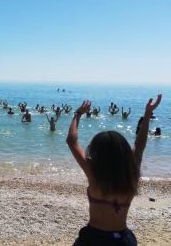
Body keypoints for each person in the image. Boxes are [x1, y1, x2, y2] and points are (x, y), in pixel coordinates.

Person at [66, 95, 162, 246]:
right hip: (123, 240)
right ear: (124, 152)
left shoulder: (94, 175)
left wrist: (77, 114)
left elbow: (72, 141)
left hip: (93, 239)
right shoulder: (131, 174)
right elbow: (140, 146)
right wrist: (148, 114)